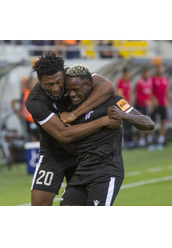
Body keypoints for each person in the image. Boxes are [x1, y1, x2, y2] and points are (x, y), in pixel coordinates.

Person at [26, 52, 118, 206]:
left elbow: (107, 87)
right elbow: (63, 135)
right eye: (49, 84)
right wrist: (102, 121)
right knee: (39, 205)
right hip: (53, 153)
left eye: (59, 82)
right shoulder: (35, 101)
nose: (56, 88)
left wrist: (75, 114)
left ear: (64, 72)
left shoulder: (73, 75)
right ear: (40, 80)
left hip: (82, 152)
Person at [60, 64, 154, 206]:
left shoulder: (114, 101)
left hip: (105, 172)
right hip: (80, 172)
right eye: (69, 90)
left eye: (76, 90)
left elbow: (148, 123)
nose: (72, 94)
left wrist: (123, 115)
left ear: (89, 85)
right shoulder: (70, 108)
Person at [149, 64, 170, 150]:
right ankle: (150, 142)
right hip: (155, 105)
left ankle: (160, 141)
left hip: (162, 105)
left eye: (162, 69)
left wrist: (168, 101)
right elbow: (149, 91)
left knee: (163, 123)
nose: (160, 70)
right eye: (159, 69)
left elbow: (166, 92)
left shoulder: (165, 80)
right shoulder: (153, 79)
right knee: (151, 123)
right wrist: (153, 100)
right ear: (157, 70)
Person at [116, 67, 134, 149]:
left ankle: (130, 142)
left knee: (129, 124)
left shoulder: (128, 82)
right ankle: (124, 143)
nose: (129, 75)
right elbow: (120, 95)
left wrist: (130, 104)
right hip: (123, 106)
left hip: (128, 106)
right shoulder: (120, 82)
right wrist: (125, 106)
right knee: (124, 125)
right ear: (124, 74)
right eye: (128, 74)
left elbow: (130, 93)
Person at [134, 67, 153, 147]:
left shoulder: (149, 82)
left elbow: (150, 94)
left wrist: (150, 103)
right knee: (141, 123)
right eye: (146, 73)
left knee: (149, 122)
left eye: (148, 73)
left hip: (147, 106)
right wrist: (144, 101)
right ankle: (141, 140)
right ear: (143, 73)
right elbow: (138, 95)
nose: (147, 74)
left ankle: (149, 140)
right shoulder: (139, 82)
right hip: (140, 105)